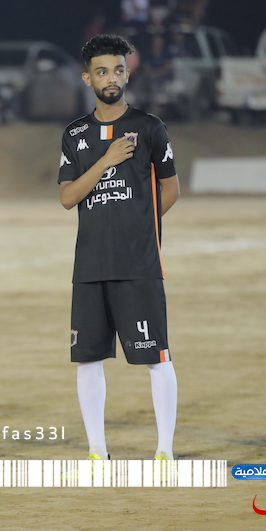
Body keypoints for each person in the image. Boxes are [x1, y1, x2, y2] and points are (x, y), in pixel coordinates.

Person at [58, 34, 180, 461]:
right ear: (87, 77)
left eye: (118, 70)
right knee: (88, 359)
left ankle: (164, 451)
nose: (111, 78)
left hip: (138, 264)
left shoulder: (150, 127)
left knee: (156, 357)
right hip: (90, 264)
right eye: (102, 71)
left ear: (128, 73)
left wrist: (140, 225)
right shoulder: (75, 134)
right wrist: (106, 160)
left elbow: (170, 189)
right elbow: (68, 196)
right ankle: (97, 451)